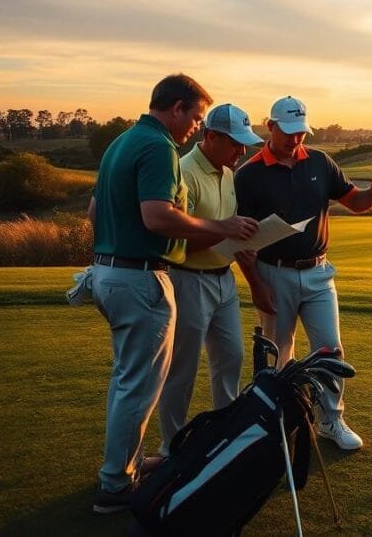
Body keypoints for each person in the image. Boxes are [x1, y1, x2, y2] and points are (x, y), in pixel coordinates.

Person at [88, 74, 259, 514]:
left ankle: (122, 468)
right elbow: (158, 217)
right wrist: (220, 227)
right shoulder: (160, 146)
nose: (194, 128)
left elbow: (94, 208)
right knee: (139, 387)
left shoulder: (122, 142)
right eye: (195, 117)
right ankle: (115, 487)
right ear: (177, 107)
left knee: (128, 382)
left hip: (109, 271)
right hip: (140, 276)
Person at [234, 96, 372, 451]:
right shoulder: (248, 175)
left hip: (319, 273)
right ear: (271, 126)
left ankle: (331, 421)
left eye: (301, 133)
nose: (295, 140)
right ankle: (277, 423)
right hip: (272, 272)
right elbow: (242, 240)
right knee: (279, 353)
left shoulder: (321, 162)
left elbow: (355, 202)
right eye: (289, 133)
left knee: (330, 349)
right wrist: (257, 287)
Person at [157, 103, 274, 457]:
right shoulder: (184, 172)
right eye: (235, 143)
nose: (242, 150)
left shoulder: (227, 171)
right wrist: (227, 233)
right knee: (183, 368)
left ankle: (225, 440)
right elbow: (175, 242)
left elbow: (224, 227)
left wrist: (243, 246)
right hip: (188, 281)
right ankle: (172, 449)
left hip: (224, 279)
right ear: (210, 137)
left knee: (232, 358)